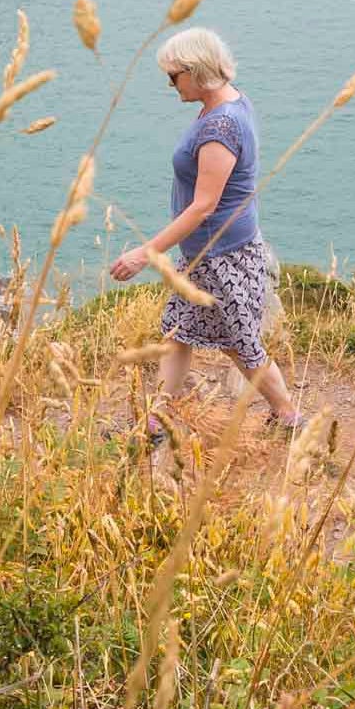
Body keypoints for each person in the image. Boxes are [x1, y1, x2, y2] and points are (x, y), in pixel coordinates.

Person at [108, 26, 306, 441]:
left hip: (223, 259)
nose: (169, 84)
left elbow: (204, 205)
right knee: (178, 333)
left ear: (197, 71)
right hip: (211, 254)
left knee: (241, 346)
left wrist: (145, 254)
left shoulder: (221, 127)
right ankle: (157, 419)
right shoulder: (234, 103)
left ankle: (288, 417)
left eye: (173, 75)